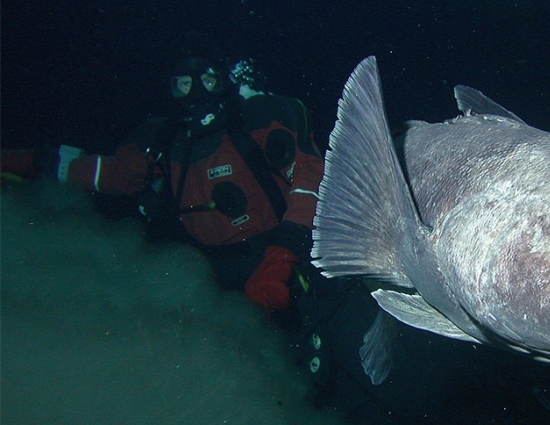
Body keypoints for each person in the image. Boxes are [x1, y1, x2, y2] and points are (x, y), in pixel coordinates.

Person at [0, 45, 324, 327]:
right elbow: (107, 173)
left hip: (284, 258)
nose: (197, 94)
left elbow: (310, 176)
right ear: (171, 90)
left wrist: (282, 254)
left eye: (207, 81)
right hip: (214, 277)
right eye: (184, 85)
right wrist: (25, 162)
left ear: (224, 81)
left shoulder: (255, 122)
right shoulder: (165, 143)